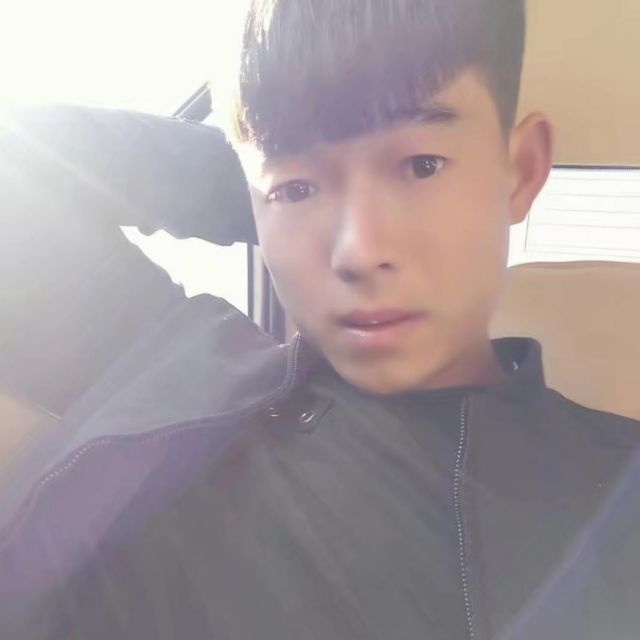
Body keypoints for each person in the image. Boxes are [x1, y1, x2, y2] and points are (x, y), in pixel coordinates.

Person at [1, 1, 640, 638]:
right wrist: (262, 179)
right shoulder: (179, 382)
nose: (358, 250)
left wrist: (301, 179)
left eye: (421, 165)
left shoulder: (618, 491)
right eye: (296, 189)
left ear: (519, 170)